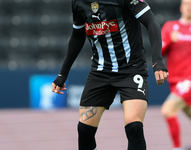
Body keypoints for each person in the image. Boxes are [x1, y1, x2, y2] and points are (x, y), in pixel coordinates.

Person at [52, 0, 168, 149]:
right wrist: (63, 74)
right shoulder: (78, 2)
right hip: (100, 71)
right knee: (84, 129)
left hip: (131, 69)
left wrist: (157, 61)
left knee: (134, 127)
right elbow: (77, 36)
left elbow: (152, 22)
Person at [161, 0, 191, 150]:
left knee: (168, 110)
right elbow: (159, 51)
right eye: (186, 3)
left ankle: (176, 148)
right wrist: (170, 41)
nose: (189, 7)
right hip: (175, 81)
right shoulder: (170, 27)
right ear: (181, 7)